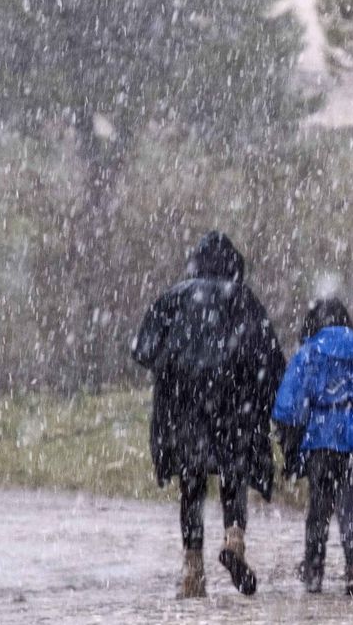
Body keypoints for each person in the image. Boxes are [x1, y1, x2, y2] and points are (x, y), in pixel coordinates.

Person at [131, 231, 286, 598]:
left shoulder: (175, 297)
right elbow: (269, 357)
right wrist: (267, 397)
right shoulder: (243, 299)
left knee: (192, 485)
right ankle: (234, 540)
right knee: (234, 474)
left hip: (184, 406)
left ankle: (193, 571)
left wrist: (173, 366)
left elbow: (142, 349)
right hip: (234, 405)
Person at [272, 298, 353, 597]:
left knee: (319, 507)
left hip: (323, 437)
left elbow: (289, 402)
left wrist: (291, 438)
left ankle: (314, 568)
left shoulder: (309, 352)